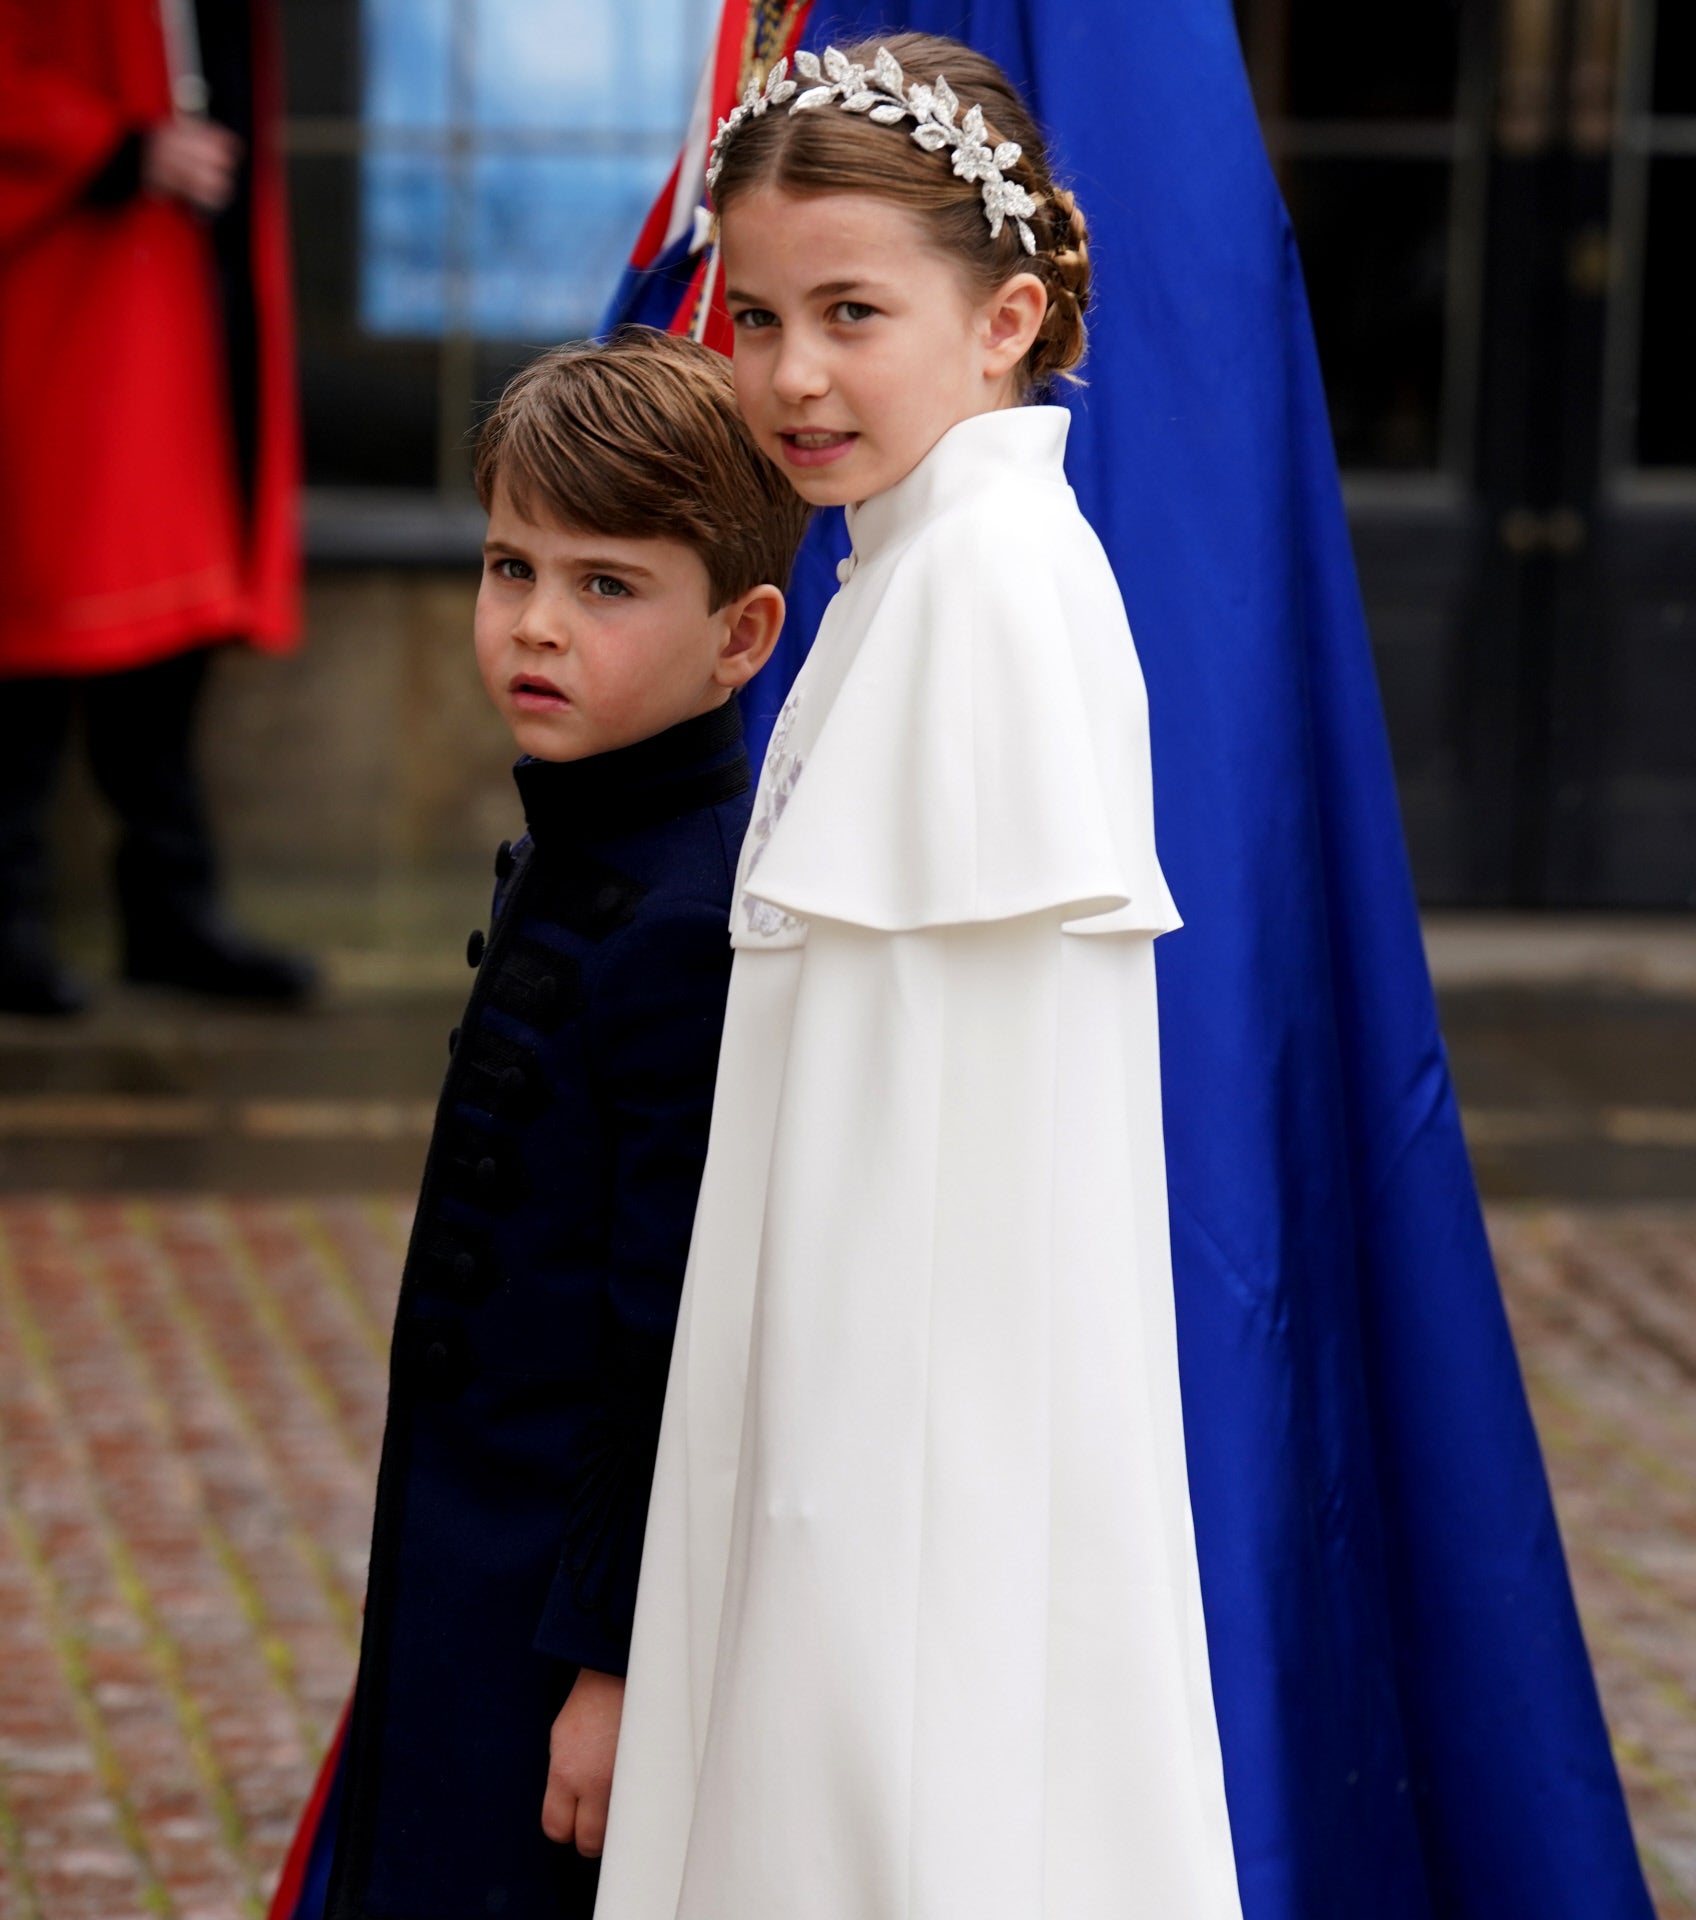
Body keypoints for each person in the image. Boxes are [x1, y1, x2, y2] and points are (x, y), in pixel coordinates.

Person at [596, 36, 1244, 1920]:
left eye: (851, 313)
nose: (791, 373)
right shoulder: (909, 567)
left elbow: (952, 1110)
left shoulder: (986, 590)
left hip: (899, 1411)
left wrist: (821, 1489)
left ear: (1005, 319)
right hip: (841, 1372)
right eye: (757, 313)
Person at [306, 328, 810, 1920]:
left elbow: (666, 1338)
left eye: (605, 586)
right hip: (459, 1548)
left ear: (741, 636)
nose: (533, 625)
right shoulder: (570, 848)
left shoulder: (687, 917)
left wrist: (608, 1662)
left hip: (552, 1602)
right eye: (511, 564)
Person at [0, 0, 311, 1013]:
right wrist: (114, 146)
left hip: (176, 269)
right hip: (68, 272)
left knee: (165, 612)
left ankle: (168, 908)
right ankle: (18, 917)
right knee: (40, 606)